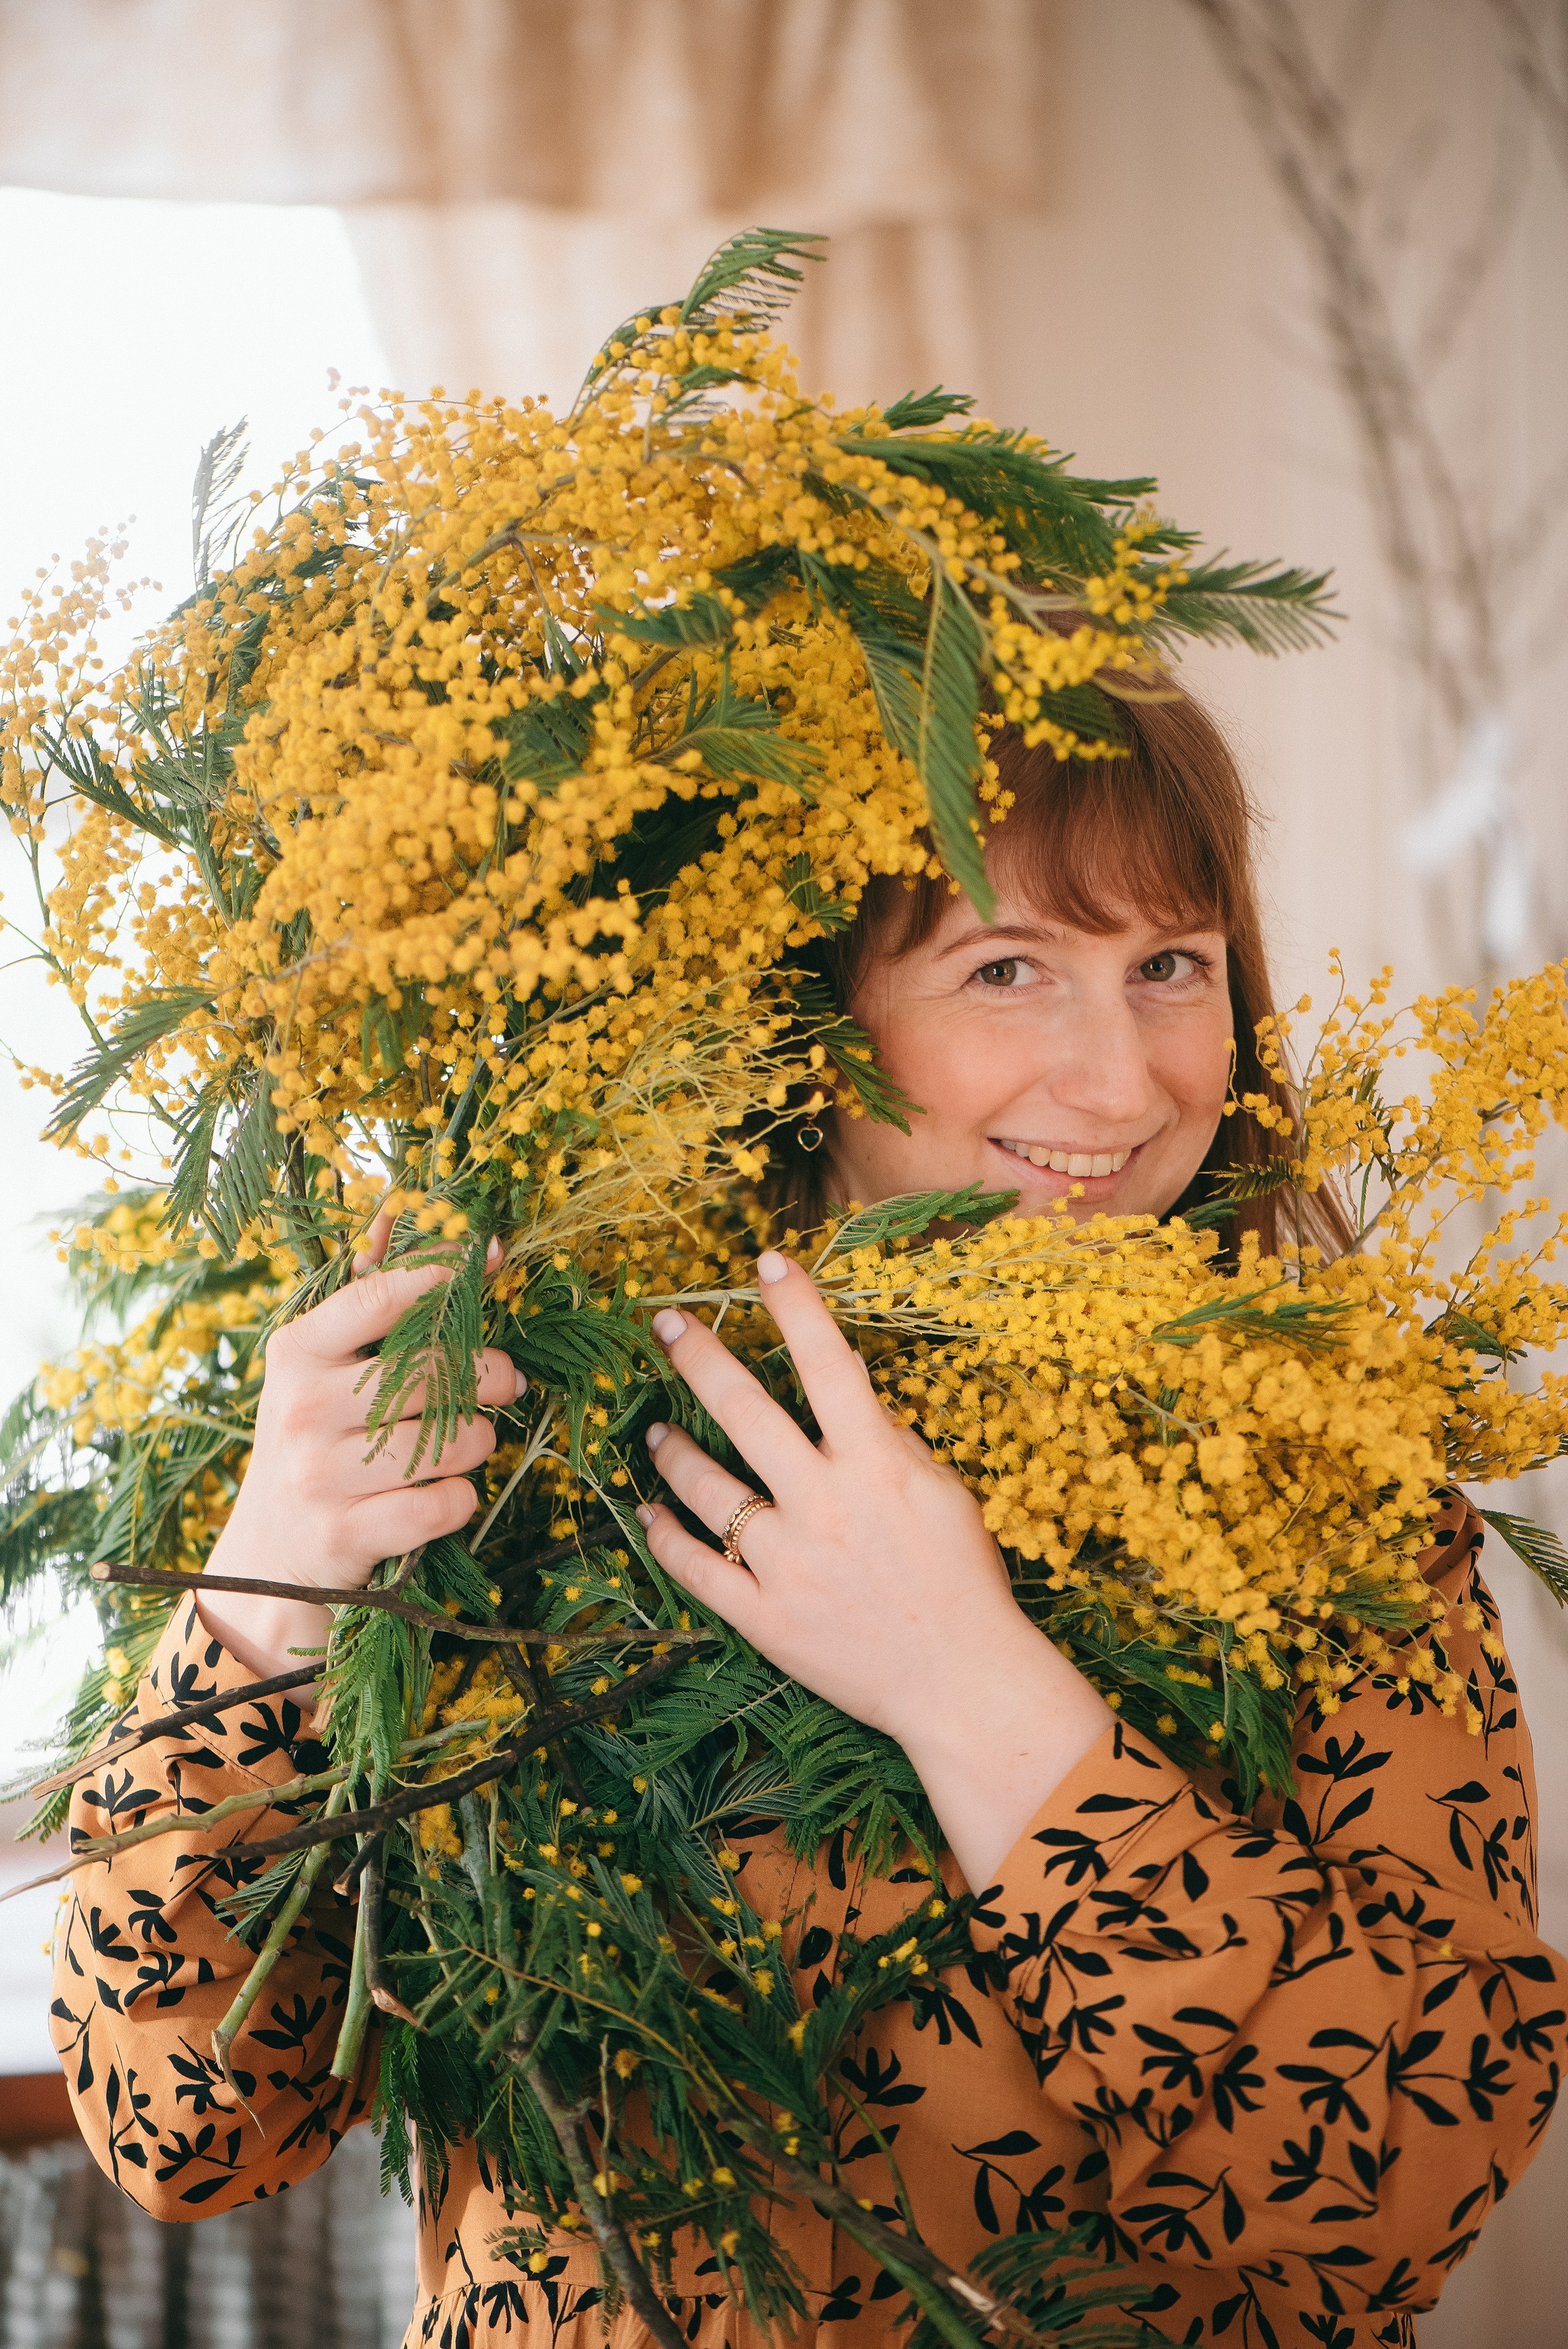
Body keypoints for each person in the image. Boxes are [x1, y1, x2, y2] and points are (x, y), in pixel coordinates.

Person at [50, 697, 1564, 2349]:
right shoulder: (533, 1443)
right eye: (1009, 967)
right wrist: (272, 1589)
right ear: (806, 1026)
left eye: (1173, 965)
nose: (1125, 1078)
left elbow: (1410, 2182)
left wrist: (974, 1688)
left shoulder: (1331, 1503)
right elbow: (178, 2127)